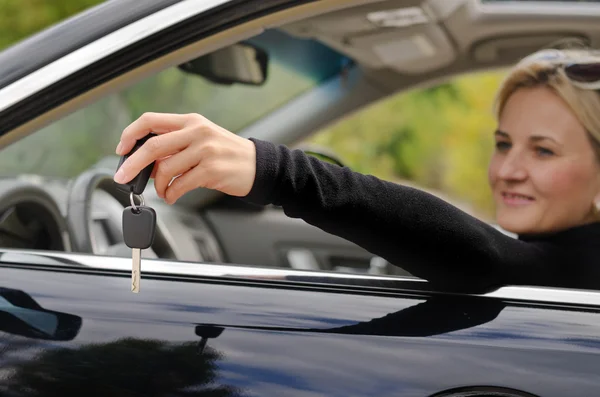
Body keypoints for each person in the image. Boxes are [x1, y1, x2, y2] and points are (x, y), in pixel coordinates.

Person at [113, 48, 600, 293]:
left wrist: (279, 171)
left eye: (544, 152)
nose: (509, 170)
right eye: (502, 144)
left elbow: (487, 258)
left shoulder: (580, 268)